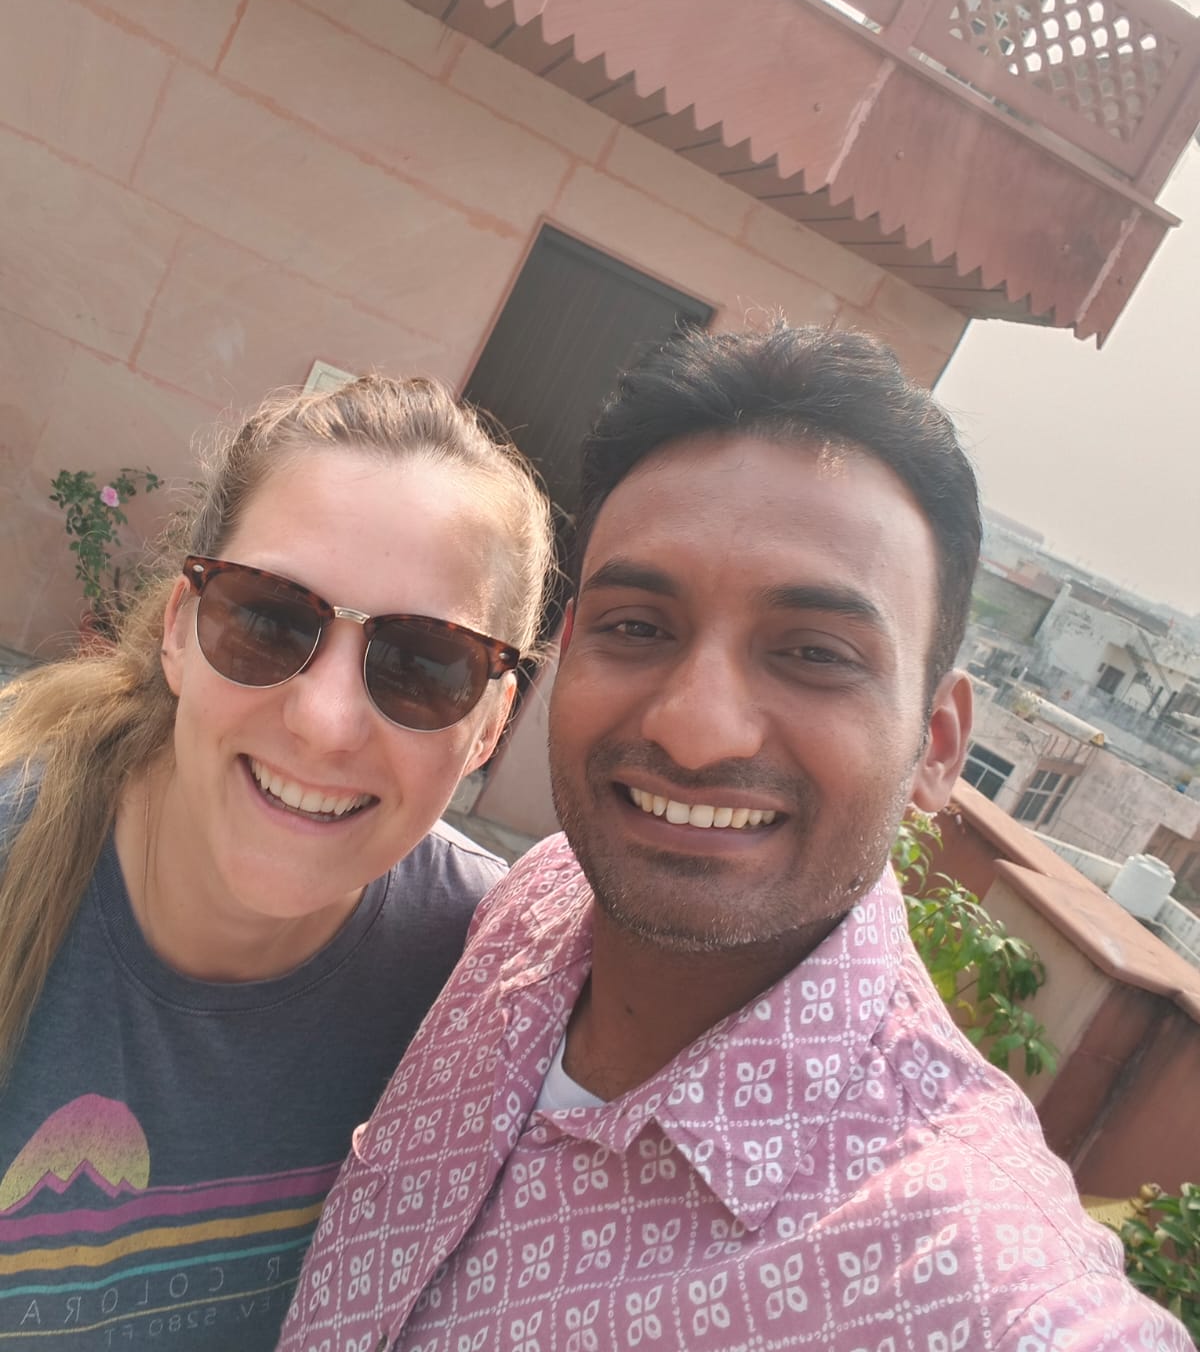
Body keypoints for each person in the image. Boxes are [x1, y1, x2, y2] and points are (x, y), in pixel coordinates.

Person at [280, 325, 1189, 1352]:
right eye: (637, 626)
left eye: (814, 653)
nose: (695, 728)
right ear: (566, 653)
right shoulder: (535, 906)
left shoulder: (972, 1287)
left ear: (936, 745)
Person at [0, 374, 553, 1350]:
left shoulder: (492, 976)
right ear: (180, 630)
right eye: (268, 619)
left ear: (490, 725)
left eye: (425, 664)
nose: (326, 721)